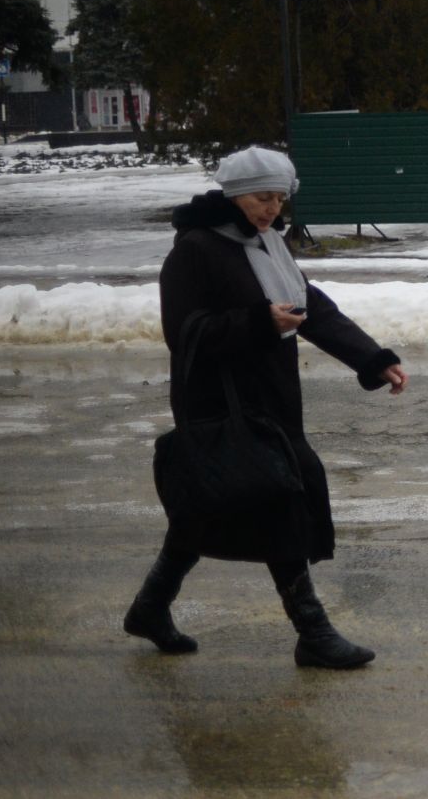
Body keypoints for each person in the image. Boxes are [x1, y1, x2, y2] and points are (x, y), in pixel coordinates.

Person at [124, 146, 409, 669]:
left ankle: (150, 607)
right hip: (220, 403)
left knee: (208, 511)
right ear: (234, 194)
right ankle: (314, 632)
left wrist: (372, 359)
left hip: (271, 400)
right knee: (279, 501)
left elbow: (311, 308)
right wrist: (258, 323)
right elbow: (184, 333)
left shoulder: (270, 244)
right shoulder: (195, 250)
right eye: (261, 197)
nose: (272, 208)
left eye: (280, 198)